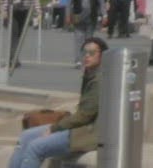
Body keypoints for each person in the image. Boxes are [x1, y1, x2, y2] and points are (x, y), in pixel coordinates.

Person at [8, 36, 103, 168]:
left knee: (35, 147)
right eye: (84, 52)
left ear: (103, 56)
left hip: (87, 133)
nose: (87, 56)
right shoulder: (90, 75)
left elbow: (84, 116)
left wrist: (55, 128)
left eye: (91, 53)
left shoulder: (99, 81)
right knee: (25, 136)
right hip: (78, 128)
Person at [3, 0, 38, 71]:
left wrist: (38, 10)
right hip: (14, 8)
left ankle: (15, 56)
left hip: (26, 9)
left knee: (20, 35)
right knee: (14, 33)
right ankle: (12, 58)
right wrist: (4, 9)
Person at [67, 0, 105, 64]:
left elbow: (101, 3)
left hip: (91, 17)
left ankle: (87, 59)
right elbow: (69, 3)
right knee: (79, 39)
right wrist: (68, 15)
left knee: (89, 40)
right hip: (78, 16)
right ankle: (78, 60)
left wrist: (104, 15)